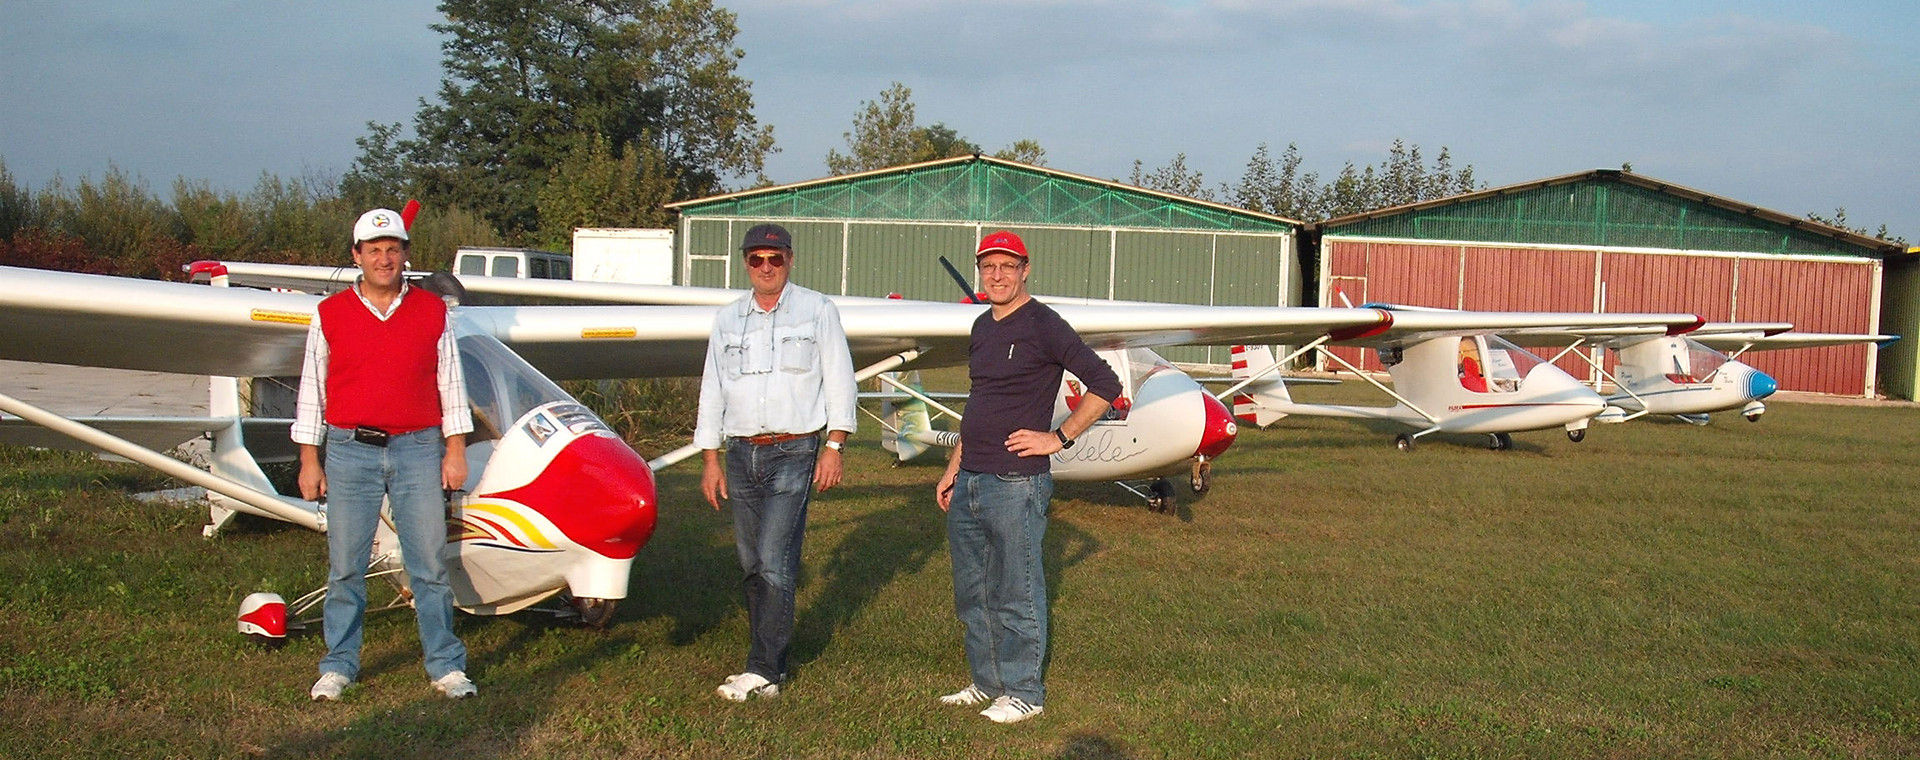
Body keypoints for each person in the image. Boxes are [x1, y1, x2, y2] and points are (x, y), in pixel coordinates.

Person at [934, 230, 1122, 724]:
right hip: (971, 476)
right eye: (988, 267)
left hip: (1017, 482)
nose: (996, 276)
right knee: (973, 590)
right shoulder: (980, 325)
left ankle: (1025, 693)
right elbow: (980, 401)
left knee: (1015, 589)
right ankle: (987, 682)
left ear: (1024, 270)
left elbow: (1106, 385)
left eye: (1006, 267)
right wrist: (954, 466)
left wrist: (1058, 438)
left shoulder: (1045, 323)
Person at [293, 207, 476, 702]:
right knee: (346, 565)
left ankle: (445, 664)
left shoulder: (433, 311)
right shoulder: (330, 314)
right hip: (351, 449)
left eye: (393, 249)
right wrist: (310, 459)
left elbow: (451, 386)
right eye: (373, 250)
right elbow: (312, 391)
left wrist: (454, 450)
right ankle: (339, 664)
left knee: (430, 565)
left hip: (419, 447)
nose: (384, 258)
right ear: (356, 256)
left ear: (405, 255)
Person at [695, 222, 858, 702]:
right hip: (742, 451)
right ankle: (770, 663)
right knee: (751, 563)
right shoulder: (727, 319)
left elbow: (840, 377)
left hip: (795, 448)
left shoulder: (816, 310)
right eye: (756, 259)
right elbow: (712, 389)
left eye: (775, 258)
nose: (766, 268)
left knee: (772, 559)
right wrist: (711, 458)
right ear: (746, 263)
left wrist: (835, 445)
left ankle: (764, 669)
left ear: (790, 259)